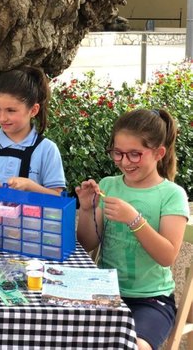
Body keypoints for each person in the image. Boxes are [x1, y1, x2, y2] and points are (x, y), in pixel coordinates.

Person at [76, 108, 189, 350]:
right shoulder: (109, 185)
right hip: (103, 292)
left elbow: (167, 256)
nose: (125, 162)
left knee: (132, 346)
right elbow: (87, 243)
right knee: (64, 331)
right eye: (118, 153)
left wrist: (134, 220)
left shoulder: (171, 195)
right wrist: (86, 210)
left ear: (159, 153)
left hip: (151, 300)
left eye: (135, 155)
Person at [0, 66, 65, 204]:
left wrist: (30, 186)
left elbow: (57, 198)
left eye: (11, 111)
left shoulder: (47, 150)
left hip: (31, 225)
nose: (2, 118)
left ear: (33, 110)